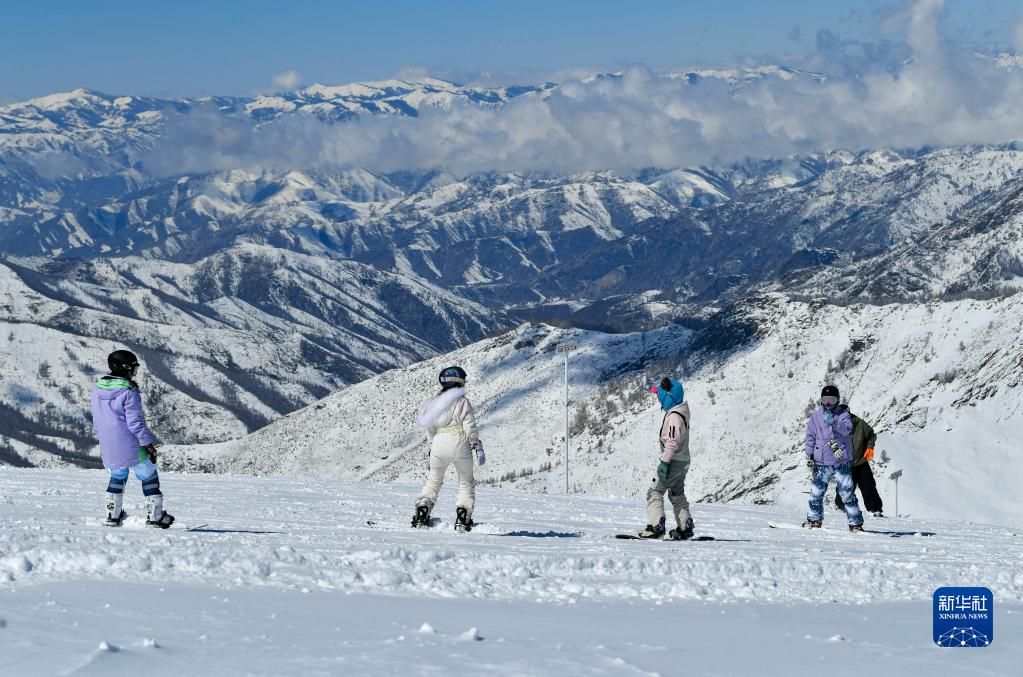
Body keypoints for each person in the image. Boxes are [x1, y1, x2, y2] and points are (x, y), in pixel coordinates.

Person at [90, 350, 175, 528]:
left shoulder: (97, 389)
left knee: (117, 476)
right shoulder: (129, 391)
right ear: (126, 368)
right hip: (131, 444)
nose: (135, 372)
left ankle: (112, 515)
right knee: (149, 475)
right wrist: (148, 445)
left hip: (109, 444)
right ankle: (155, 517)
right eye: (134, 368)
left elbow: (97, 419)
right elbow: (135, 423)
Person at [413, 366, 484, 531]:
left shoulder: (434, 403)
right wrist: (477, 445)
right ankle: (462, 517)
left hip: (438, 443)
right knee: (466, 482)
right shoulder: (462, 401)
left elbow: (430, 429)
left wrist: (433, 447)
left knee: (433, 481)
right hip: (459, 442)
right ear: (460, 381)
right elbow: (470, 426)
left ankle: (422, 511)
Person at [639, 377, 694, 540]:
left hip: (673, 462)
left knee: (654, 492)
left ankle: (656, 526)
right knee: (677, 493)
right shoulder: (681, 412)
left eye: (660, 395)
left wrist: (664, 463)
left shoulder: (674, 417)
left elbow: (672, 442)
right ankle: (685, 526)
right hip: (683, 461)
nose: (658, 398)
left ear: (668, 396)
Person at [804, 385, 863, 532]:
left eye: (832, 399)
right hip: (821, 462)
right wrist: (810, 454)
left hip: (840, 461)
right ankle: (814, 520)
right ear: (821, 400)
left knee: (847, 493)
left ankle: (855, 523)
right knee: (816, 493)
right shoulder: (816, 416)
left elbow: (847, 430)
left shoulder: (843, 414)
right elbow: (810, 436)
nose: (829, 403)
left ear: (837, 400)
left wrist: (834, 422)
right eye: (825, 399)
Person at [834, 413, 884, 517]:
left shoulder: (860, 424)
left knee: (868, 485)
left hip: (861, 461)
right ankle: (840, 506)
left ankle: (875, 509)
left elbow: (871, 435)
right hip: (846, 463)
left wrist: (870, 447)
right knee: (845, 487)